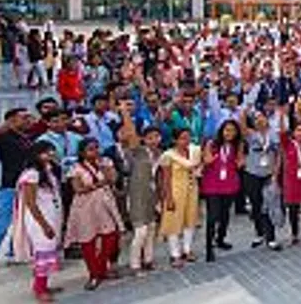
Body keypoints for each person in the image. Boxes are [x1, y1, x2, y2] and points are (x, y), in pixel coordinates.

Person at [0, 106, 33, 273]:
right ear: (11, 120)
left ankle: (14, 251)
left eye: (28, 117)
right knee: (3, 222)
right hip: (10, 185)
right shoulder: (4, 137)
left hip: (29, 184)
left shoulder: (30, 137)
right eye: (23, 118)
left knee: (23, 221)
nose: (28, 120)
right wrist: (3, 128)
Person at [64, 138, 124, 290]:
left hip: (105, 204)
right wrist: (100, 184)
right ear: (82, 152)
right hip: (85, 207)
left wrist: (104, 170)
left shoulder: (105, 163)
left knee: (110, 236)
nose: (95, 151)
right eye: (91, 149)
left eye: (97, 148)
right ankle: (94, 274)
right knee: (88, 241)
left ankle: (101, 268)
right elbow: (78, 189)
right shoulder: (76, 168)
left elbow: (113, 179)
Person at [12, 141, 63, 302]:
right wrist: (44, 225)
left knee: (49, 251)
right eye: (46, 152)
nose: (50, 155)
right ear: (36, 154)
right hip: (39, 219)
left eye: (52, 151)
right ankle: (39, 289)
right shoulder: (31, 174)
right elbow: (31, 204)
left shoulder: (48, 171)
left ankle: (43, 284)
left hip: (51, 214)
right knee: (43, 252)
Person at [199, 119, 243, 261]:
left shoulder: (237, 146)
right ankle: (208, 248)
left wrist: (241, 161)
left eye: (232, 130)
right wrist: (208, 159)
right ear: (221, 131)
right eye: (227, 130)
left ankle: (220, 239)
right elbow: (206, 160)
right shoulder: (212, 144)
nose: (229, 133)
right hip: (212, 184)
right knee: (212, 217)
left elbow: (240, 162)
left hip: (229, 184)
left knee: (225, 215)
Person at [157, 127, 202, 267]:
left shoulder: (194, 151)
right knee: (173, 223)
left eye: (188, 137)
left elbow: (198, 168)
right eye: (182, 138)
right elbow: (165, 178)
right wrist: (168, 197)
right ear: (175, 140)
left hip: (192, 189)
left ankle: (187, 250)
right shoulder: (168, 155)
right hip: (175, 191)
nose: (186, 141)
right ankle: (174, 254)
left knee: (190, 220)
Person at [121, 122, 162, 273]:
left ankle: (148, 260)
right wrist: (124, 111)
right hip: (136, 195)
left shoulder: (161, 154)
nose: (154, 140)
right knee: (140, 232)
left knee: (151, 228)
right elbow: (131, 134)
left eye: (157, 136)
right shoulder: (139, 152)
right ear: (143, 139)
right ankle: (134, 264)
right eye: (150, 137)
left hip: (152, 195)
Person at [242, 111, 281, 250]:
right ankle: (259, 233)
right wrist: (244, 109)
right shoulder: (251, 135)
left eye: (262, 118)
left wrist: (276, 172)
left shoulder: (274, 134)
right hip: (252, 173)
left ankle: (271, 237)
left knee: (269, 204)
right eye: (256, 119)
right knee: (256, 205)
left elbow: (278, 155)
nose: (259, 121)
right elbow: (242, 127)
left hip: (268, 174)